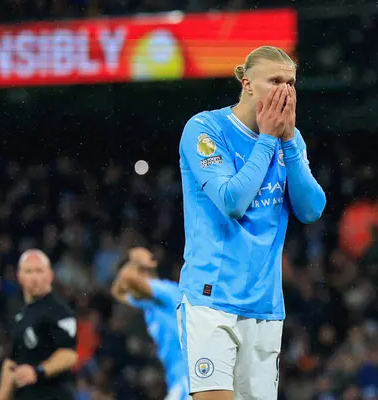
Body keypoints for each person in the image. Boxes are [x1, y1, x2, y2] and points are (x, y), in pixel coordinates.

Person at [177, 45, 326, 399]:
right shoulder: (205, 128)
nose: (285, 91)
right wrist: (269, 138)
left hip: (265, 305)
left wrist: (287, 142)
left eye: (291, 83)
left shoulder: (290, 139)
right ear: (247, 84)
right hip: (211, 300)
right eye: (275, 81)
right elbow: (231, 201)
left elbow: (311, 210)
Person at [0, 249, 79, 400]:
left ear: (50, 275)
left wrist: (38, 371)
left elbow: (69, 354)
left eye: (39, 271)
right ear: (19, 277)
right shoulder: (20, 314)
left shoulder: (59, 311)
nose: (34, 277)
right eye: (28, 271)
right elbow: (12, 361)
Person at [111, 247, 189, 400]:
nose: (130, 287)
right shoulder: (150, 303)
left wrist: (136, 260)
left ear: (143, 275)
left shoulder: (165, 291)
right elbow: (117, 291)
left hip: (188, 376)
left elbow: (126, 278)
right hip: (176, 377)